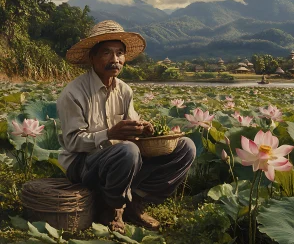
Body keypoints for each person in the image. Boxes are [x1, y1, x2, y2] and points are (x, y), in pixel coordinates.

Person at [57, 20, 196, 233]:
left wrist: (144, 130)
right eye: (107, 53)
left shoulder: (125, 90)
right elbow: (72, 142)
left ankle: (135, 201)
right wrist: (110, 134)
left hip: (121, 160)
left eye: (120, 53)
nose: (115, 59)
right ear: (92, 58)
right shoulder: (73, 93)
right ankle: (114, 210)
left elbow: (132, 129)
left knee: (186, 147)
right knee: (127, 150)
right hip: (82, 163)